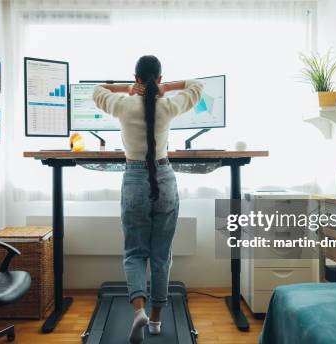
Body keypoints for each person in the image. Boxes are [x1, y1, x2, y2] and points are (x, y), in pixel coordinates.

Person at [93, 55, 203, 343]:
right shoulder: (167, 105)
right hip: (164, 179)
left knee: (134, 253)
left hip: (134, 181)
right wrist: (163, 88)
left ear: (136, 78)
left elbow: (97, 90)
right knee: (161, 256)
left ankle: (138, 311)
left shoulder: (123, 105)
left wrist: (129, 89)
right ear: (160, 78)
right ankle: (155, 320)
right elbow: (196, 86)